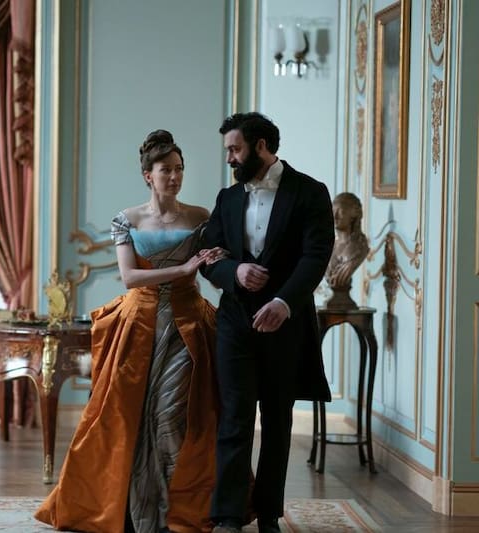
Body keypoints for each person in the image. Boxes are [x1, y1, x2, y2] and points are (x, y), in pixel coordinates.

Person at [35, 129, 226, 533]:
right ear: (147, 175)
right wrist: (183, 268)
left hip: (187, 324)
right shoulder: (128, 219)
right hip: (139, 325)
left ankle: (175, 511)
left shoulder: (201, 217)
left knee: (173, 414)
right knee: (129, 415)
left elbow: (212, 265)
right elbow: (129, 277)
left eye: (179, 169)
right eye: (166, 170)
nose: (174, 176)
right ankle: (137, 511)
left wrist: (218, 257)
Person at [200, 112, 335, 533]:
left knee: (278, 422)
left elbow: (316, 255)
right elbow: (209, 256)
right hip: (234, 322)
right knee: (234, 418)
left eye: (235, 149)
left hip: (285, 324)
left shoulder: (310, 192)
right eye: (228, 150)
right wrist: (235, 271)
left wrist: (283, 302)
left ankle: (269, 516)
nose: (229, 158)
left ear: (260, 146)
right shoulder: (227, 198)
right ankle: (228, 515)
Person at [323, 192, 369, 309]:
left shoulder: (359, 247)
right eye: (333, 211)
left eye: (341, 212)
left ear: (353, 215)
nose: (335, 216)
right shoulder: (330, 246)